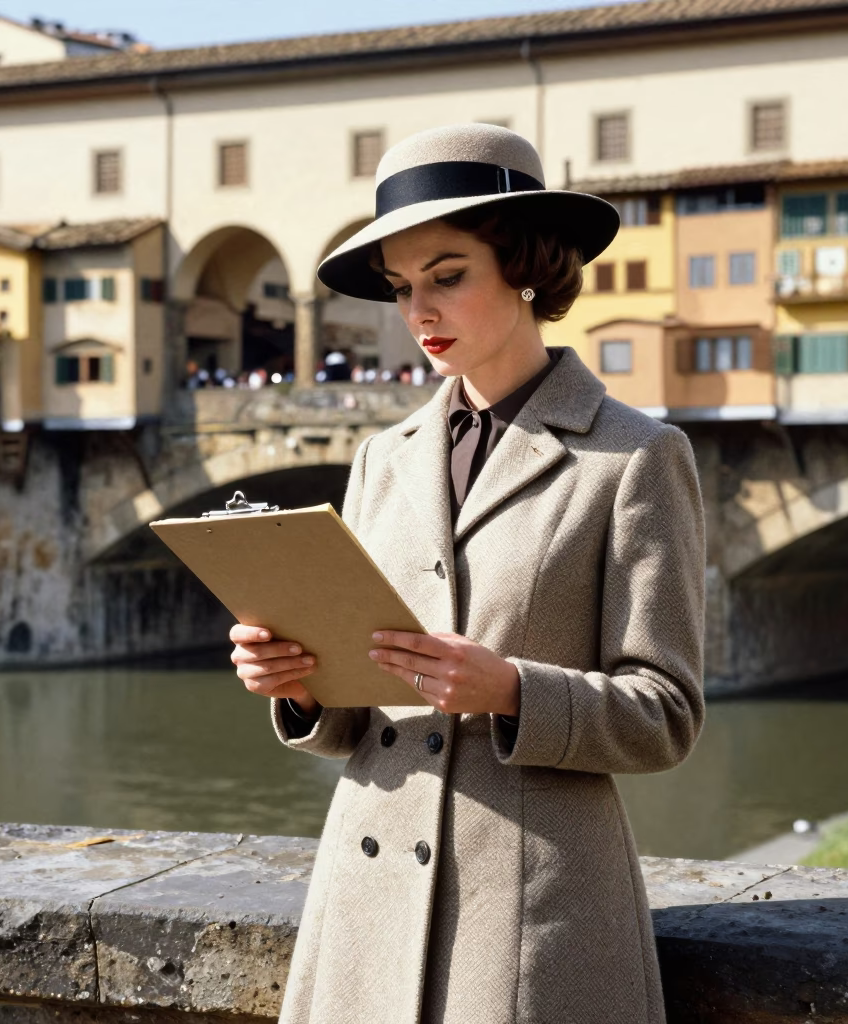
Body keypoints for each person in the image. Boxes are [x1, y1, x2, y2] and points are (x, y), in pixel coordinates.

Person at [229, 123, 705, 1024]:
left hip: (532, 916)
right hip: (364, 906)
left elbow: (667, 715)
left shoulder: (634, 457)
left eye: (448, 276)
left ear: (525, 266)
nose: (420, 313)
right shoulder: (380, 460)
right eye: (404, 289)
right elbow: (356, 719)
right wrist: (294, 684)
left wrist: (513, 689)